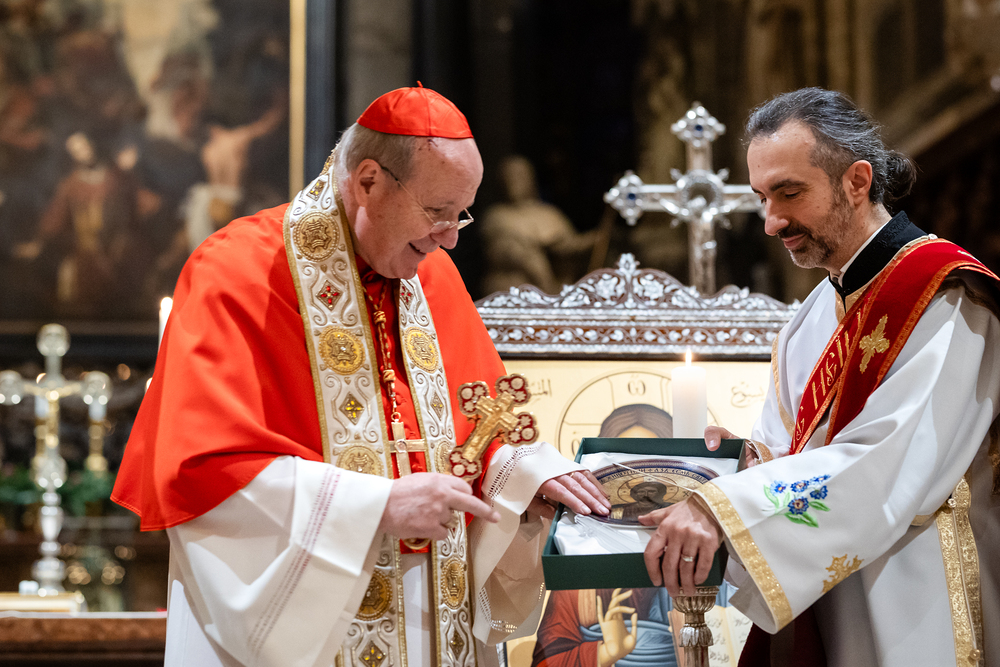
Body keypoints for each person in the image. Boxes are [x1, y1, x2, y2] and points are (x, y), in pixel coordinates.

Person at [111, 85, 611, 667]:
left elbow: (478, 433)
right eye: (437, 211)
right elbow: (203, 473)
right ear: (368, 181)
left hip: (433, 621)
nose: (451, 237)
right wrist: (375, 507)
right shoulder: (237, 271)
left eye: (462, 214)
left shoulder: (432, 275)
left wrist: (526, 477)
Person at [639, 87, 1000, 667]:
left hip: (923, 599)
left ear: (857, 181)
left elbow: (886, 464)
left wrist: (723, 506)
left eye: (790, 193)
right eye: (762, 198)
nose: (771, 221)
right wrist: (744, 461)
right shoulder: (807, 321)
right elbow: (792, 450)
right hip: (834, 599)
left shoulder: (944, 298)